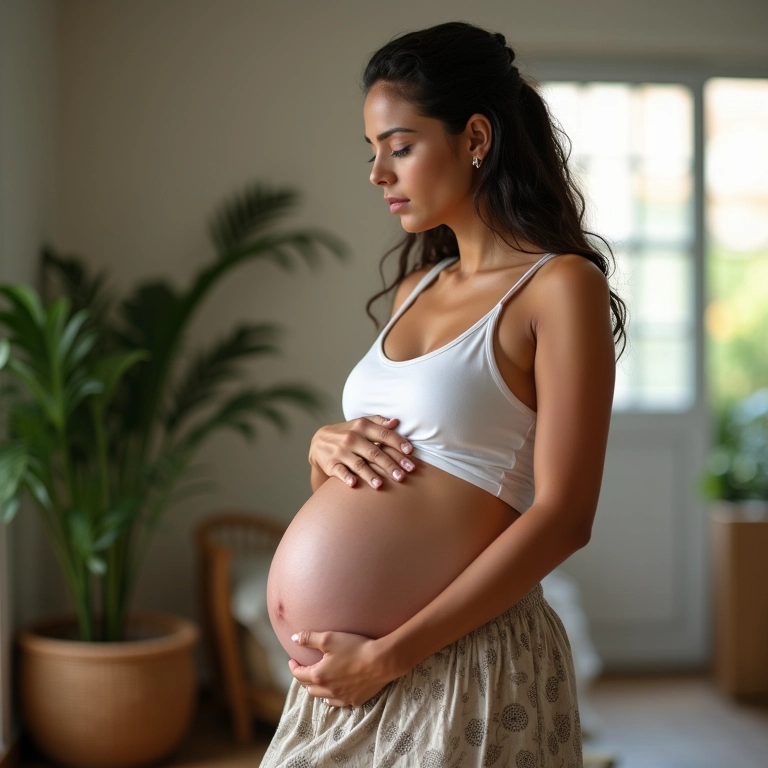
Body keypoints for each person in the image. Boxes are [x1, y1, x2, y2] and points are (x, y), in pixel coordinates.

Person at [260, 20, 627, 768]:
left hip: (458, 662)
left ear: (475, 138)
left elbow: (564, 517)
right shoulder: (414, 288)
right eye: (371, 152)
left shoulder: (559, 288)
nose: (377, 174)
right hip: (344, 679)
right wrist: (322, 447)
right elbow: (380, 478)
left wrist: (391, 654)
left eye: (399, 146)